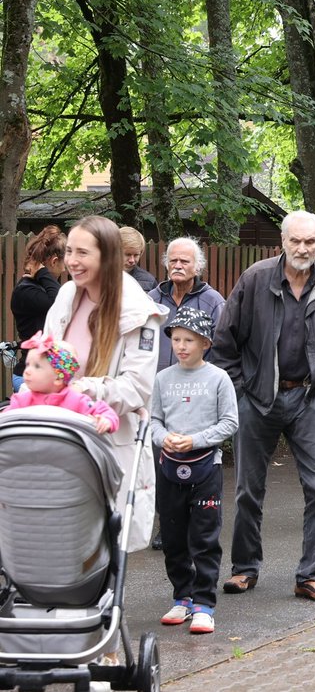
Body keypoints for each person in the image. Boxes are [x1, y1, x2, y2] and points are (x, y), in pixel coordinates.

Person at [211, 210, 315, 604]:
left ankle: (309, 576)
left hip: (309, 397)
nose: (303, 248)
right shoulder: (256, 279)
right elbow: (224, 342)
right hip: (257, 399)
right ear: (283, 241)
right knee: (247, 490)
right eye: (296, 241)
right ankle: (244, 568)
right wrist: (241, 391)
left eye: (310, 242)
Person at [44, 215, 168, 525]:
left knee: (100, 552)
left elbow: (137, 388)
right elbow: (49, 357)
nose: (71, 260)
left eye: (82, 253)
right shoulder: (67, 296)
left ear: (108, 255)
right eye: (69, 251)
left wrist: (84, 390)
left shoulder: (139, 312)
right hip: (60, 440)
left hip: (107, 446)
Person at [150, 307, 238, 635]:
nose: (182, 346)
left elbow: (230, 422)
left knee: (203, 537)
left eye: (189, 340)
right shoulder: (162, 379)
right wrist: (164, 438)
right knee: (173, 538)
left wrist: (196, 439)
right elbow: (154, 420)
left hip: (206, 468)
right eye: (176, 339)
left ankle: (204, 603)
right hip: (169, 468)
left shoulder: (218, 378)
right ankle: (181, 597)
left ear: (205, 343)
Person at [4, 331, 119, 433]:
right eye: (28, 364)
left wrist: (106, 420)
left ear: (58, 378)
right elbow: (4, 421)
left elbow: (103, 410)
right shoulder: (21, 400)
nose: (27, 371)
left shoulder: (76, 400)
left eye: (37, 366)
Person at [149, 237, 225, 371]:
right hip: (156, 384)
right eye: (173, 261)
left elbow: (223, 348)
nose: (177, 266)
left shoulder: (213, 301)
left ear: (197, 267)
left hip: (196, 385)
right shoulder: (153, 299)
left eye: (184, 261)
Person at [9, 225, 67, 389]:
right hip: (30, 377)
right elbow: (57, 303)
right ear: (55, 261)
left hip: (50, 373)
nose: (67, 266)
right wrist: (42, 273)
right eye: (65, 260)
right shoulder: (26, 290)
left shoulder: (40, 287)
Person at [119, 226, 158, 292]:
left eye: (136, 255)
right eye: (128, 254)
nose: (132, 260)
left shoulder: (149, 281)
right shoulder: (100, 277)